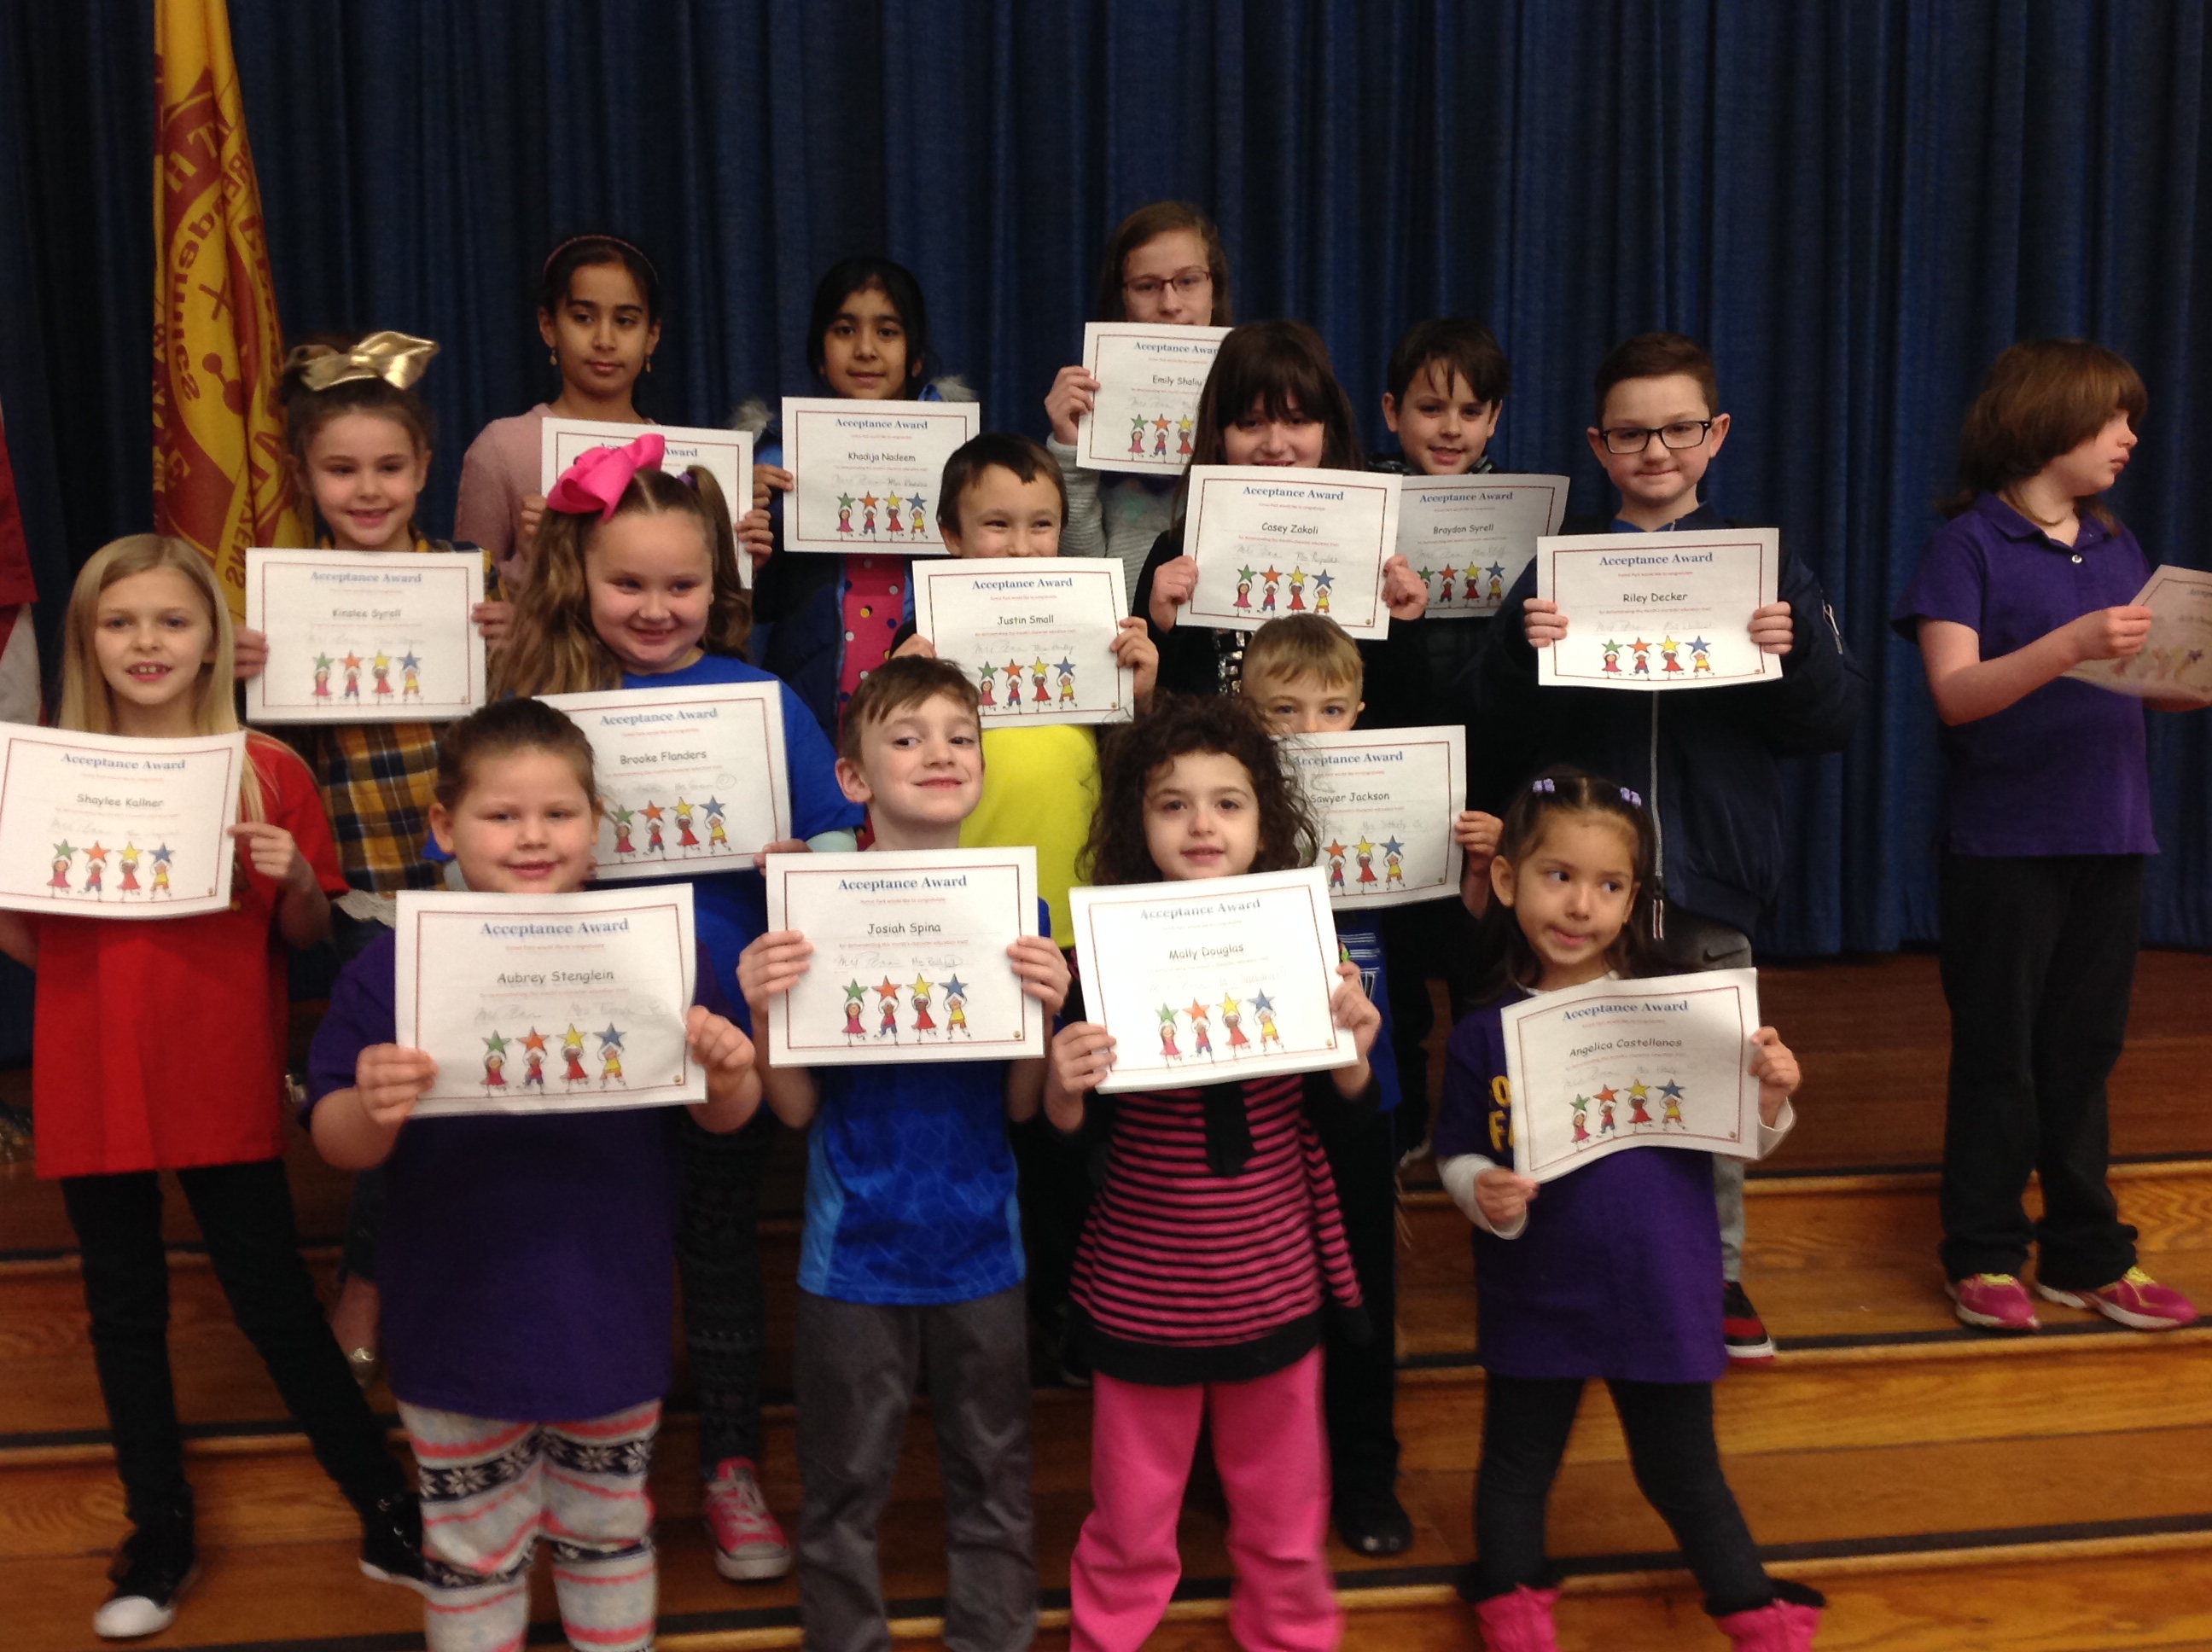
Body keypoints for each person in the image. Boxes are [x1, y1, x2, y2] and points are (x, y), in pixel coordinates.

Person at [0, 537, 422, 1638]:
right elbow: (19, 931)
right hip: (93, 1070)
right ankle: (158, 1528)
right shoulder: (45, 766)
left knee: (274, 1295)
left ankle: (383, 1503)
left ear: (214, 643)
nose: (147, 643)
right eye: (121, 621)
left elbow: (308, 931)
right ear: (88, 639)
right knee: (122, 1305)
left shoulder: (269, 769)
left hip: (217, 1061)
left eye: (172, 623)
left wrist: (287, 878)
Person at [304, 696, 761, 1652]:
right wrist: (372, 1103)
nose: (531, 836)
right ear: (443, 827)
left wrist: (729, 1070)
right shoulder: (391, 968)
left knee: (608, 1531)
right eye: (500, 815)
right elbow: (336, 1138)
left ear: (597, 827)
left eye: (557, 813)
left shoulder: (662, 957)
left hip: (609, 1310)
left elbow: (726, 1114)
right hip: (455, 1320)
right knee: (472, 1551)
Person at [498, 430, 864, 1580]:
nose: (656, 609)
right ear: (580, 579)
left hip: (725, 1037)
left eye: (683, 585)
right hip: (582, 1033)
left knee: (716, 1250)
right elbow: (459, 853)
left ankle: (733, 1466)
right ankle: (572, 1461)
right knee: (583, 1249)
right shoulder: (543, 705)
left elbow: (844, 845)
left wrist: (806, 855)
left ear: (721, 585)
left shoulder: (759, 697)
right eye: (628, 584)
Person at [1458, 331, 1863, 1364]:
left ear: (1714, 434)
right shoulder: (1557, 571)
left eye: (1678, 429)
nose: (1655, 451)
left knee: (1711, 1087)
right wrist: (1517, 648)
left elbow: (1834, 724)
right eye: (1632, 433)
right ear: (1598, 445)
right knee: (1576, 1075)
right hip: (1580, 896)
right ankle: (1574, 1257)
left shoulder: (1767, 568)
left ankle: (1715, 1273)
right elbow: (1489, 725)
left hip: (1709, 885)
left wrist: (1800, 650)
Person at [1434, 770, 1825, 1650]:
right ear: (1507, 881)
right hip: (1537, 1286)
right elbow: (1457, 1149)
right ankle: (1513, 1612)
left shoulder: (1681, 1012)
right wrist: (1476, 1189)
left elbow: (1744, 1145)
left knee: (1684, 1471)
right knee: (1515, 1467)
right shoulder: (1480, 1033)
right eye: (1557, 876)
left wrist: (1771, 1095)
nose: (1580, 906)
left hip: (1662, 1285)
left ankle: (1757, 1615)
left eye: (1609, 886)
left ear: (1636, 899)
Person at [737, 655, 1071, 1651]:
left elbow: (1022, 1102)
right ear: (853, 777)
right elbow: (793, 1110)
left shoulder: (1024, 913)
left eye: (960, 736)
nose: (939, 753)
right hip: (854, 1252)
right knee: (842, 1482)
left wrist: (1046, 1013)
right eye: (907, 736)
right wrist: (763, 1012)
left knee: (995, 1472)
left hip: (984, 1244)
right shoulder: (810, 911)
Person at [1045, 694, 1383, 1651]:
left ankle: (1292, 1629)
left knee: (1285, 1498)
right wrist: (1066, 1088)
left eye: (1229, 803)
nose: (1202, 824)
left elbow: (1347, 1117)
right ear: (1132, 821)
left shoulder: (1305, 947)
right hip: (1144, 1283)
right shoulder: (1096, 958)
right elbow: (1066, 1145)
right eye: (1173, 804)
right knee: (1132, 1499)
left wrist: (1354, 1050)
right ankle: (1108, 1629)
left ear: (1265, 821)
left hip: (1276, 1276)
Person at [1893, 339, 2202, 1335]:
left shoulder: (2114, 541)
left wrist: (2183, 675)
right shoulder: (1969, 546)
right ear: (2051, 420)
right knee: (2001, 1053)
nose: (2129, 437)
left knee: (2084, 1049)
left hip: (2111, 833)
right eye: (2113, 418)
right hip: (2005, 843)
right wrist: (2070, 644)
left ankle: (2088, 1254)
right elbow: (1956, 692)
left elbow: (2143, 681)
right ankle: (1983, 1251)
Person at [239, 331, 513, 1387]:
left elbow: (524, 734)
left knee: (451, 1089)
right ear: (305, 474)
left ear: (425, 469)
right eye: (341, 469)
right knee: (394, 1089)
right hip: (359, 887)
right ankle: (367, 1281)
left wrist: (509, 642)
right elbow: (267, 767)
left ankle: (404, 1279)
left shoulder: (468, 581)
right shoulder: (279, 597)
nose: (368, 489)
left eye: (389, 467)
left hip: (470, 876)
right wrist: (242, 679)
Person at [889, 431, 1160, 1382]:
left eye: (1041, 523)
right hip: (965, 935)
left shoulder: (1096, 632)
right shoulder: (917, 651)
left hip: (1082, 936)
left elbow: (1139, 782)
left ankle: (1073, 1314)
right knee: (983, 1134)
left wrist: (1143, 686)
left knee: (1071, 1143)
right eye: (996, 524)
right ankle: (971, 1323)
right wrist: (906, 676)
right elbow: (879, 775)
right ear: (949, 537)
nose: (1021, 544)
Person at [1237, 614, 1499, 1556]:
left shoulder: (1396, 821)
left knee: (1363, 1298)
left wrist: (1470, 877)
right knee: (1254, 1296)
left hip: (1363, 1099)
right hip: (1248, 1104)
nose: (1312, 729)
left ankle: (1365, 1477)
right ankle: (1253, 1478)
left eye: (1333, 709)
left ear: (1361, 713)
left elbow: (1452, 961)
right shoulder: (1226, 820)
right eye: (1284, 711)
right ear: (1248, 717)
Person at [1132, 319, 1433, 726]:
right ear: (1219, 434)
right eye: (1250, 423)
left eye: (1296, 421)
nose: (1274, 445)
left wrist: (1404, 630)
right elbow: (1153, 729)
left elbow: (1401, 721)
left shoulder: (1373, 550)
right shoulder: (1175, 553)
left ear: (1327, 430)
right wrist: (1168, 632)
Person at [741, 256, 973, 737]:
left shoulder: (960, 460)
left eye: (887, 332)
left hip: (920, 699)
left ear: (915, 355)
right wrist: (749, 527)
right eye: (845, 330)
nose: (865, 350)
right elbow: (754, 606)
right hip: (811, 693)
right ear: (820, 355)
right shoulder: (777, 460)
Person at [1041, 201, 1233, 606]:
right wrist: (1069, 448)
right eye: (1147, 286)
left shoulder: (1254, 403)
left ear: (1214, 289)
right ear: (1122, 301)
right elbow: (1081, 570)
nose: (1170, 304)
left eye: (1188, 281)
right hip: (1126, 640)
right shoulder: (1090, 405)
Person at [453, 233, 662, 591]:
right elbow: (469, 600)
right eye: (583, 318)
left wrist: (740, 553)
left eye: (625, 321)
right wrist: (531, 560)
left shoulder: (680, 455)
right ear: (549, 326)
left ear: (652, 336)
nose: (604, 340)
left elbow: (709, 603)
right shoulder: (502, 448)